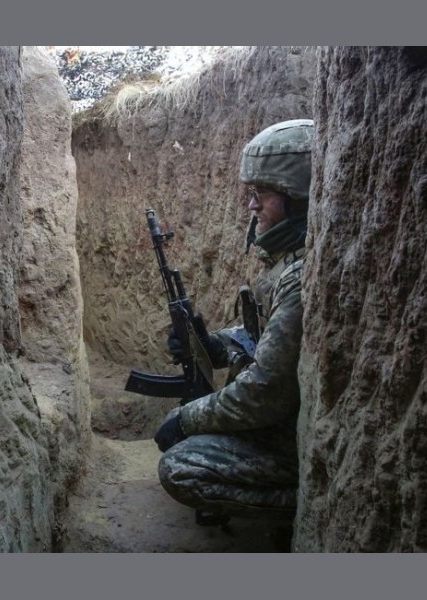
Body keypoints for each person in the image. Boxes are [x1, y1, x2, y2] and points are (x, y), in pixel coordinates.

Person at [154, 118, 314, 524]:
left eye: (261, 195)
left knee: (180, 467)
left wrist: (187, 419)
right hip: (278, 419)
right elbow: (261, 339)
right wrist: (213, 344)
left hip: (287, 434)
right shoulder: (284, 262)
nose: (252, 206)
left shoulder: (300, 278)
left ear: (298, 199)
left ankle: (305, 503)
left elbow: (265, 392)